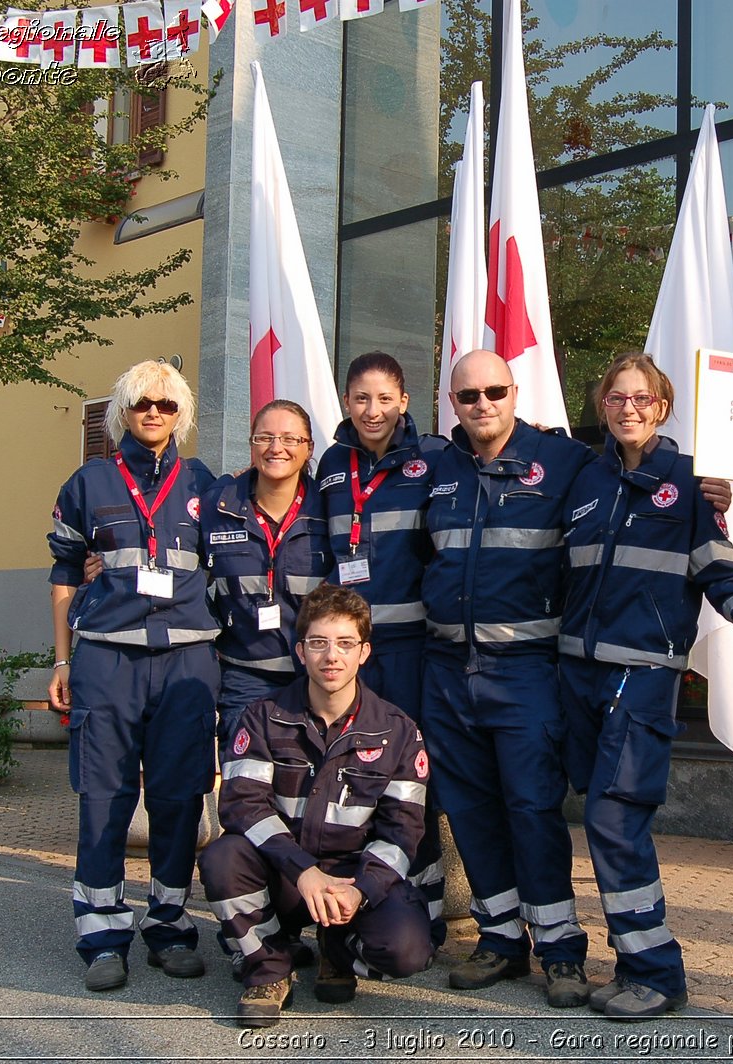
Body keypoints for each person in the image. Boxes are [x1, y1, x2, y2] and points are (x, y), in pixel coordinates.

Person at [559, 352, 733, 1020]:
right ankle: (628, 962)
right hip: (574, 677)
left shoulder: (689, 485)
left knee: (613, 818)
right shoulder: (582, 479)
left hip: (643, 678)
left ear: (662, 407)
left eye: (642, 399)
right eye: (616, 398)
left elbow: (722, 573)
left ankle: (657, 974)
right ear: (603, 406)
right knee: (585, 814)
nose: (629, 409)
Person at [419, 349, 595, 1008]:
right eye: (468, 395)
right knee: (470, 812)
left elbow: (633, 478)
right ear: (452, 402)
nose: (482, 403)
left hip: (523, 674)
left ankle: (560, 948)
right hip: (446, 674)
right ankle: (498, 939)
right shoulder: (434, 468)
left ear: (514, 392)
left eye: (494, 391)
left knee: (531, 809)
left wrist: (703, 486)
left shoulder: (565, 462)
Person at [47, 360, 220, 992]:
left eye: (167, 405)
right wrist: (61, 659)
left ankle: (169, 924)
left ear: (182, 415)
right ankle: (101, 931)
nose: (154, 412)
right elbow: (65, 572)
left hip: (187, 661)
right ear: (123, 410)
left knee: (178, 798)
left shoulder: (207, 483)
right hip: (106, 660)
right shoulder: (88, 483)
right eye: (142, 403)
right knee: (104, 797)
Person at [198, 584, 433, 1028]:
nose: (332, 657)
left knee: (407, 952)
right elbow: (243, 806)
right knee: (222, 857)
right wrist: (303, 871)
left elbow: (402, 833)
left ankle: (336, 948)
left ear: (364, 652)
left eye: (345, 644)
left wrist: (359, 890)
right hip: (288, 876)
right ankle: (268, 968)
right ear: (300, 650)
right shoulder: (263, 717)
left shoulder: (398, 732)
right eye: (319, 643)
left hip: (354, 884)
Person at [315, 352, 448, 944]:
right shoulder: (329, 465)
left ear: (404, 401)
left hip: (413, 647)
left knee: (416, 778)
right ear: (346, 402)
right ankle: (365, 898)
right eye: (361, 399)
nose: (373, 410)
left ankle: (430, 906)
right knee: (357, 774)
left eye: (384, 398)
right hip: (351, 654)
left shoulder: (436, 458)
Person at [202, 400, 331, 746]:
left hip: (316, 679)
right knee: (245, 785)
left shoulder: (331, 509)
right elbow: (182, 563)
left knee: (308, 789)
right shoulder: (218, 506)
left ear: (308, 449)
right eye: (265, 438)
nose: (277, 448)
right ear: (251, 445)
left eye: (290, 439)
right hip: (244, 677)